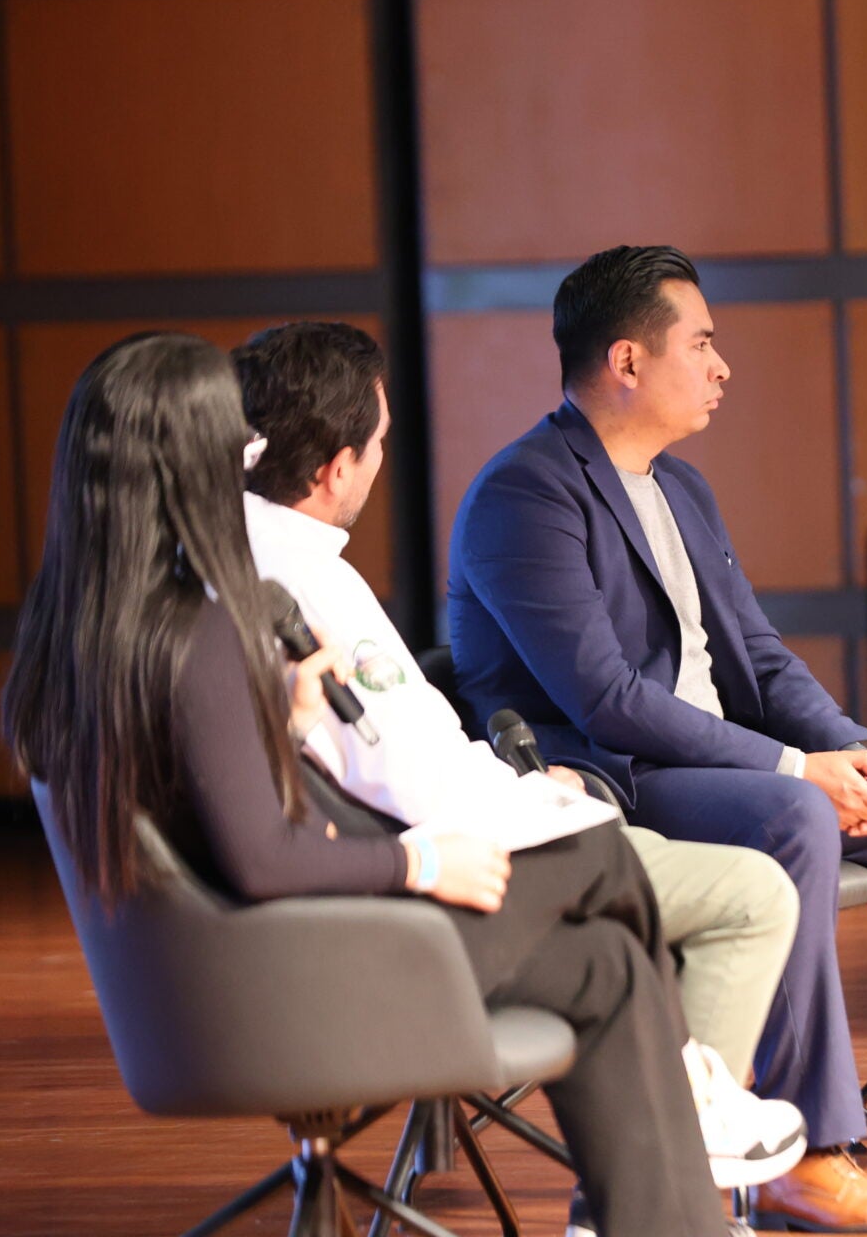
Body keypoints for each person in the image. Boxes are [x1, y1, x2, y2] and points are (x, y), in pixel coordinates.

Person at [2, 331, 748, 1237]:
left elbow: (201, 809)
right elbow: (261, 859)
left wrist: (284, 727)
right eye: (234, 446)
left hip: (235, 966)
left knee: (609, 964)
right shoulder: (193, 635)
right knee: (587, 839)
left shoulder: (80, 634)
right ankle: (696, 1088)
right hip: (292, 973)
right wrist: (418, 862)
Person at [448, 245, 867, 1232]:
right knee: (794, 811)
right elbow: (609, 696)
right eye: (700, 343)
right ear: (627, 360)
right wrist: (797, 767)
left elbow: (759, 655)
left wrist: (852, 753)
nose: (721, 365)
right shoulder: (523, 494)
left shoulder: (682, 487)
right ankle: (810, 1148)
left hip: (725, 762)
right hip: (621, 779)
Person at [233, 320, 804, 1235]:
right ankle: (685, 1112)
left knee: (612, 949)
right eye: (379, 448)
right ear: (337, 467)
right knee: (672, 867)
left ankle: (659, 1193)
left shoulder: (233, 566)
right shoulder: (308, 584)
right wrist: (530, 800)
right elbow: (406, 774)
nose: (380, 467)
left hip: (364, 889)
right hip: (402, 908)